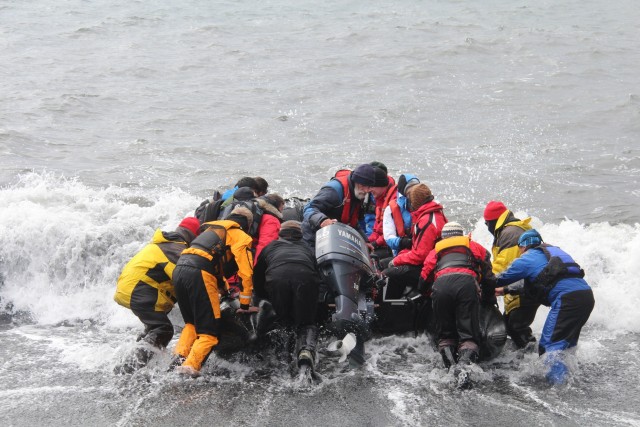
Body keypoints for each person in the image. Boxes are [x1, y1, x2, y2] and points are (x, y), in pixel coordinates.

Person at [495, 229, 594, 384]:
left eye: (519, 249)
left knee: (549, 346)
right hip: (586, 296)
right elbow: (540, 284)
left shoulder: (526, 258)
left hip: (566, 300)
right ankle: (570, 380)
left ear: (522, 247)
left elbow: (500, 279)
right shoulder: (554, 252)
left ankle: (557, 388)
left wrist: (478, 282)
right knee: (566, 346)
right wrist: (506, 290)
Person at [171, 206, 255, 377]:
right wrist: (245, 304)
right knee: (209, 333)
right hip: (199, 273)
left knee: (192, 324)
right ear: (248, 224)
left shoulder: (211, 231)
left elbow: (215, 268)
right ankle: (189, 370)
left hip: (179, 269)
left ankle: (177, 362)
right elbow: (246, 273)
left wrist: (224, 290)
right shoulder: (240, 236)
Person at [113, 217, 201, 372]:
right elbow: (185, 277)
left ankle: (135, 362)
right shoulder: (175, 250)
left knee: (153, 329)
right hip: (139, 290)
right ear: (194, 236)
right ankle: (127, 369)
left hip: (131, 288)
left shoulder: (165, 244)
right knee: (163, 329)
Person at [419, 222, 497, 369]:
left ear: (443, 237)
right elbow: (489, 277)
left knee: (446, 336)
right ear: (461, 235)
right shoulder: (474, 246)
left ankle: (450, 368)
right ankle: (463, 369)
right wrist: (488, 299)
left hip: (441, 287)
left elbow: (423, 281)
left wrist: (430, 294)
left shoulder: (435, 251)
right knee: (468, 336)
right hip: (466, 286)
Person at [252, 220, 321, 372]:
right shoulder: (309, 249)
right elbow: (318, 274)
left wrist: (263, 297)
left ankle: (281, 355)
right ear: (300, 235)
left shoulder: (270, 247)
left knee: (281, 320)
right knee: (306, 322)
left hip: (277, 280)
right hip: (306, 279)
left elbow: (257, 277)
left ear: (280, 234)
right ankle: (306, 350)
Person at [484, 200, 538, 349]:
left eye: (486, 223)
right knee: (509, 323)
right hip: (524, 285)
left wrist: (483, 280)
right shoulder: (511, 229)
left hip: (522, 288)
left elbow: (502, 268)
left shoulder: (509, 234)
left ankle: (533, 356)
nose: (486, 226)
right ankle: (526, 353)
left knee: (516, 326)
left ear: (492, 221)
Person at [382, 183, 447, 294]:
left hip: (430, 268)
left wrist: (397, 260)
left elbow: (420, 255)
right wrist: (401, 256)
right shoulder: (432, 214)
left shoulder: (427, 221)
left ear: (415, 202)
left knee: (389, 273)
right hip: (432, 262)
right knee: (384, 263)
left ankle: (390, 308)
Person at [302, 163, 377, 251]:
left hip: (335, 236)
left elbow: (354, 221)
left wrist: (365, 240)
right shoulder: (334, 191)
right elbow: (309, 208)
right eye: (364, 186)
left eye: (369, 187)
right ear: (356, 182)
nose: (367, 191)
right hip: (314, 235)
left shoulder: (359, 194)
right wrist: (322, 220)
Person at [382, 174, 419, 256]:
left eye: (416, 187)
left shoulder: (426, 207)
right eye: (410, 188)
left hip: (421, 250)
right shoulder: (390, 210)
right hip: (402, 252)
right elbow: (389, 237)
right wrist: (403, 242)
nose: (414, 191)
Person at [367, 163, 396, 259]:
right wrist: (366, 241)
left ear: (381, 184)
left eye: (372, 186)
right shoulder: (380, 198)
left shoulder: (394, 201)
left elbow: (392, 233)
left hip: (392, 247)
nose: (369, 190)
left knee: (369, 257)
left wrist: (374, 244)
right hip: (382, 242)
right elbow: (377, 229)